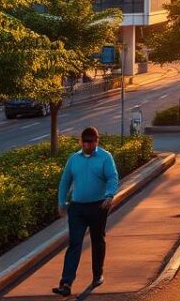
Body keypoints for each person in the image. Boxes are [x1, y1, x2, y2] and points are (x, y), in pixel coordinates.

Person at [53, 126, 119, 297]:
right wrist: (61, 202)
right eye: (85, 142)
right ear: (80, 141)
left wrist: (109, 195)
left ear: (97, 141)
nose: (88, 145)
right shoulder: (74, 159)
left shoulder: (105, 157)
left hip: (98, 206)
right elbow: (65, 182)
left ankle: (98, 275)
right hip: (77, 208)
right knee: (74, 243)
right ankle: (66, 283)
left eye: (91, 142)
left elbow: (112, 177)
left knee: (97, 240)